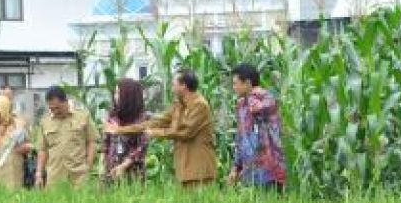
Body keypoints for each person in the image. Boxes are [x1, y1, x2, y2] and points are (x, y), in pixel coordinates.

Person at [108, 69, 215, 188]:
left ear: (183, 86)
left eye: (174, 84)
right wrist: (122, 130)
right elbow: (157, 122)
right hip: (185, 167)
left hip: (199, 168)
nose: (172, 88)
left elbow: (186, 132)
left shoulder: (200, 105)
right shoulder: (179, 105)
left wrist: (156, 133)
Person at [228, 63, 287, 191]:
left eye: (236, 83)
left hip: (269, 171)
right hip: (249, 172)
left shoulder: (266, 98)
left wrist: (252, 95)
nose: (234, 87)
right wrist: (236, 167)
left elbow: (261, 108)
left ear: (248, 83)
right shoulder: (241, 105)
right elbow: (241, 138)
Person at [36, 86, 98, 188]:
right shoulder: (45, 121)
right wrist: (39, 174)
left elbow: (92, 142)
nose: (55, 111)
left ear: (66, 101)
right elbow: (42, 150)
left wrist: (88, 165)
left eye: (58, 108)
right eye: (52, 109)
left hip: (79, 176)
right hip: (55, 177)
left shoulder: (83, 116)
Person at [102, 78, 150, 185]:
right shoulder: (112, 116)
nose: (115, 96)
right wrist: (104, 165)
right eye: (115, 93)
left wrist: (124, 165)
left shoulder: (142, 119)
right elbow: (106, 143)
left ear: (128, 96)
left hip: (133, 171)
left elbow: (142, 146)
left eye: (118, 93)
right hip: (111, 170)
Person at [0, 84, 38, 188]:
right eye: (2, 99)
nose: (6, 102)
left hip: (16, 175)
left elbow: (30, 143)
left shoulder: (22, 121)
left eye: (9, 98)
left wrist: (28, 147)